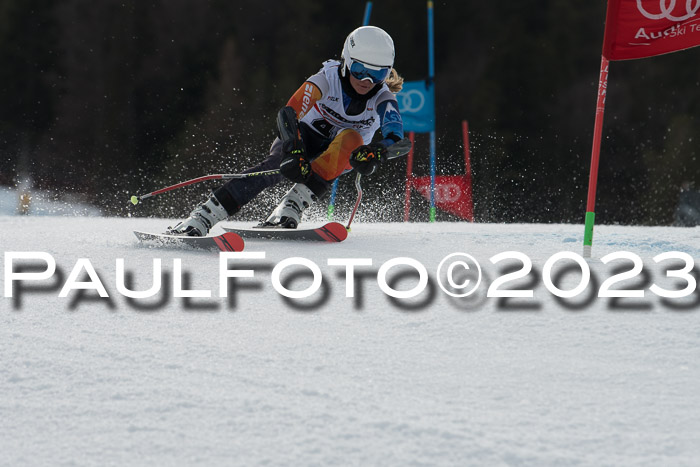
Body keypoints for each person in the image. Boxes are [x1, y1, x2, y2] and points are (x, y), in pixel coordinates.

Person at [168, 26, 405, 236]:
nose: (366, 80)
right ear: (346, 61)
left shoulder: (383, 97)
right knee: (274, 168)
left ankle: (292, 204)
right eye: (359, 69)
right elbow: (289, 113)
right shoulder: (327, 78)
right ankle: (204, 215)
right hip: (304, 137)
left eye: (378, 74)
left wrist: (377, 151)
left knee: (352, 139)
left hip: (341, 154)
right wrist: (293, 148)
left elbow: (396, 138)